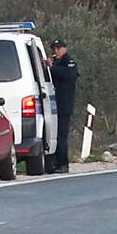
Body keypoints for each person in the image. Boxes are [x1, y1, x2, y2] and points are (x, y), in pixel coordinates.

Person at [49, 40, 79, 171]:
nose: (56, 51)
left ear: (65, 48)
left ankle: (63, 163)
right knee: (54, 134)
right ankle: (54, 162)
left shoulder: (69, 62)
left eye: (59, 48)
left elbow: (69, 75)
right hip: (54, 104)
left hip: (64, 104)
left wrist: (52, 68)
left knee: (61, 134)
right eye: (54, 49)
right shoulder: (58, 63)